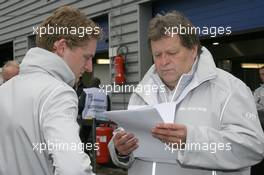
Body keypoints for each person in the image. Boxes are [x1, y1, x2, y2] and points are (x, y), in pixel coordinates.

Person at [108, 11, 264, 175]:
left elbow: (252, 147)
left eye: (172, 53)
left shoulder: (230, 89)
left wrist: (191, 140)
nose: (163, 61)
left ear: (193, 50)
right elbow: (124, 135)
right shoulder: (142, 91)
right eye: (157, 55)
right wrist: (120, 150)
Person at [0, 6, 101, 175]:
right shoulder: (58, 93)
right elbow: (74, 169)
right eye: (87, 57)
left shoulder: (4, 90)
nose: (90, 67)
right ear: (61, 47)